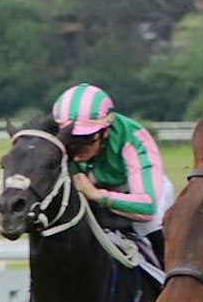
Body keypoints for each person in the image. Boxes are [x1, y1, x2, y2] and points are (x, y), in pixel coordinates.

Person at [49, 83, 174, 264]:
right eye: (71, 139)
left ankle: (167, 280)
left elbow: (147, 208)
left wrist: (96, 195)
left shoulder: (134, 138)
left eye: (85, 139)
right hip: (94, 187)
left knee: (150, 226)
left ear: (105, 131)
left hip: (139, 193)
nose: (77, 148)